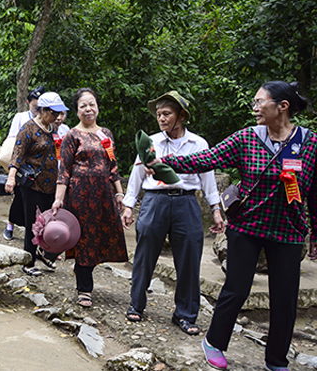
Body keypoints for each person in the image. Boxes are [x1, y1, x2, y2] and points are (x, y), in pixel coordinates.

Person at [150, 81, 317, 371]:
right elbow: (208, 158)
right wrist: (167, 162)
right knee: (236, 290)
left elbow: (314, 192)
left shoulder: (310, 143)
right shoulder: (247, 138)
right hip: (247, 227)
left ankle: (276, 360)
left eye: (259, 102)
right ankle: (214, 342)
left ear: (282, 106)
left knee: (285, 299)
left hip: (288, 232)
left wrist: (315, 234)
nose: (254, 108)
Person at [120, 91, 223, 335]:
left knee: (189, 259)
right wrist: (128, 205)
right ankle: (136, 305)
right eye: (158, 114)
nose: (161, 118)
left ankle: (185, 315)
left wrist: (216, 209)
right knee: (144, 256)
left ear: (182, 116)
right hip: (154, 201)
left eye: (167, 114)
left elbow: (208, 179)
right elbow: (136, 177)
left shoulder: (199, 144)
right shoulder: (150, 142)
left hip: (186, 203)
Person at [52, 88, 128, 308]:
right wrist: (59, 199)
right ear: (77, 111)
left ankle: (83, 270)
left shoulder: (105, 134)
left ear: (97, 106)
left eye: (91, 104)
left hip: (103, 195)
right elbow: (64, 170)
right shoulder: (72, 136)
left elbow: (113, 166)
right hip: (80, 196)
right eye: (83, 106)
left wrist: (119, 193)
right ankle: (84, 288)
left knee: (100, 238)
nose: (88, 109)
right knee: (84, 239)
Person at [4, 92, 68, 275]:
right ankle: (28, 262)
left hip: (51, 185)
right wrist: (11, 177)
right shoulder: (28, 128)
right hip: (32, 185)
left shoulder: (53, 130)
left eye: (59, 113)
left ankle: (43, 252)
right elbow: (17, 154)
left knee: (50, 222)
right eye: (54, 113)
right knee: (32, 223)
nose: (57, 117)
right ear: (43, 110)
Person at [2, 85, 45, 241]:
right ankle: (10, 225)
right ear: (28, 102)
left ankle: (35, 233)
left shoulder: (49, 120)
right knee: (19, 197)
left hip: (40, 167)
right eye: (35, 106)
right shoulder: (20, 117)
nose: (37, 109)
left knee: (38, 202)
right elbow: (12, 139)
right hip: (23, 165)